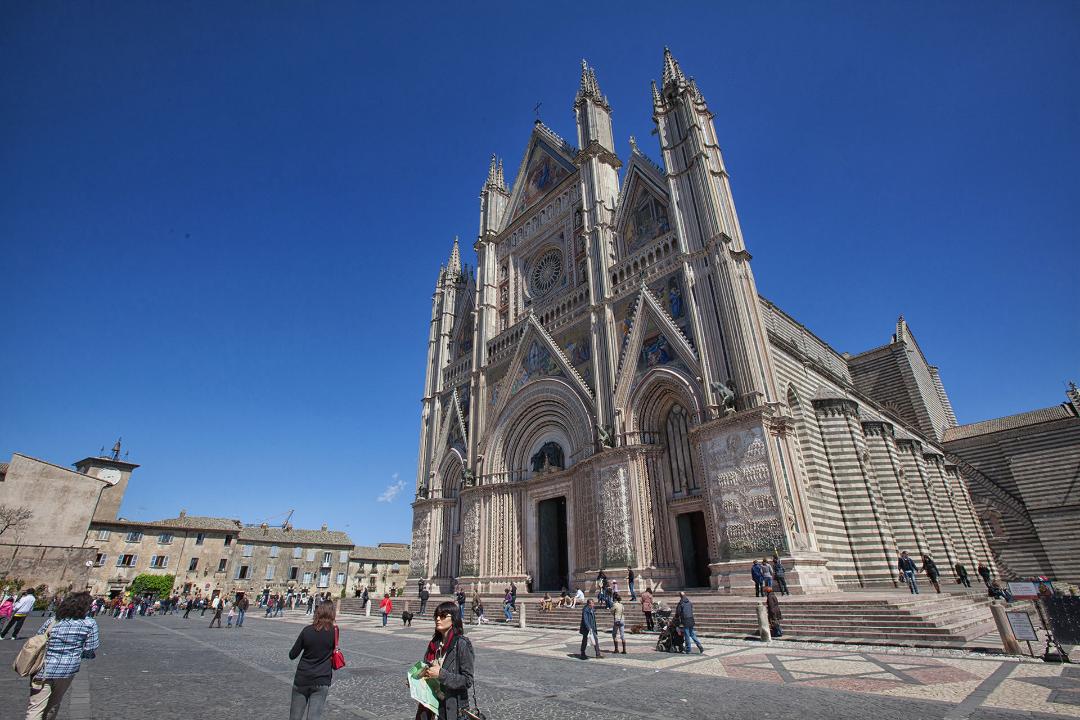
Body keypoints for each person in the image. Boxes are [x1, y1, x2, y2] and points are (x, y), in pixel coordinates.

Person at [24, 591, 99, 720]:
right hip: (67, 669)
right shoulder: (89, 623)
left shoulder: (53, 620)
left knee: (35, 707)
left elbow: (38, 639)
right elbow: (91, 647)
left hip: (43, 667)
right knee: (54, 703)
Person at [417, 601, 475, 720]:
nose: (438, 619)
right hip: (431, 707)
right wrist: (416, 678)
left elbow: (467, 680)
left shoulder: (462, 644)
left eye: (443, 616)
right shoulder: (433, 644)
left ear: (453, 619)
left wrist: (441, 674)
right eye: (436, 616)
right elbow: (426, 669)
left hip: (451, 709)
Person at [288, 600, 339, 720]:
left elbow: (292, 655)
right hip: (322, 679)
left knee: (295, 717)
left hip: (303, 678)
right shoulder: (334, 632)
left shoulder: (307, 630)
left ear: (318, 612)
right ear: (332, 613)